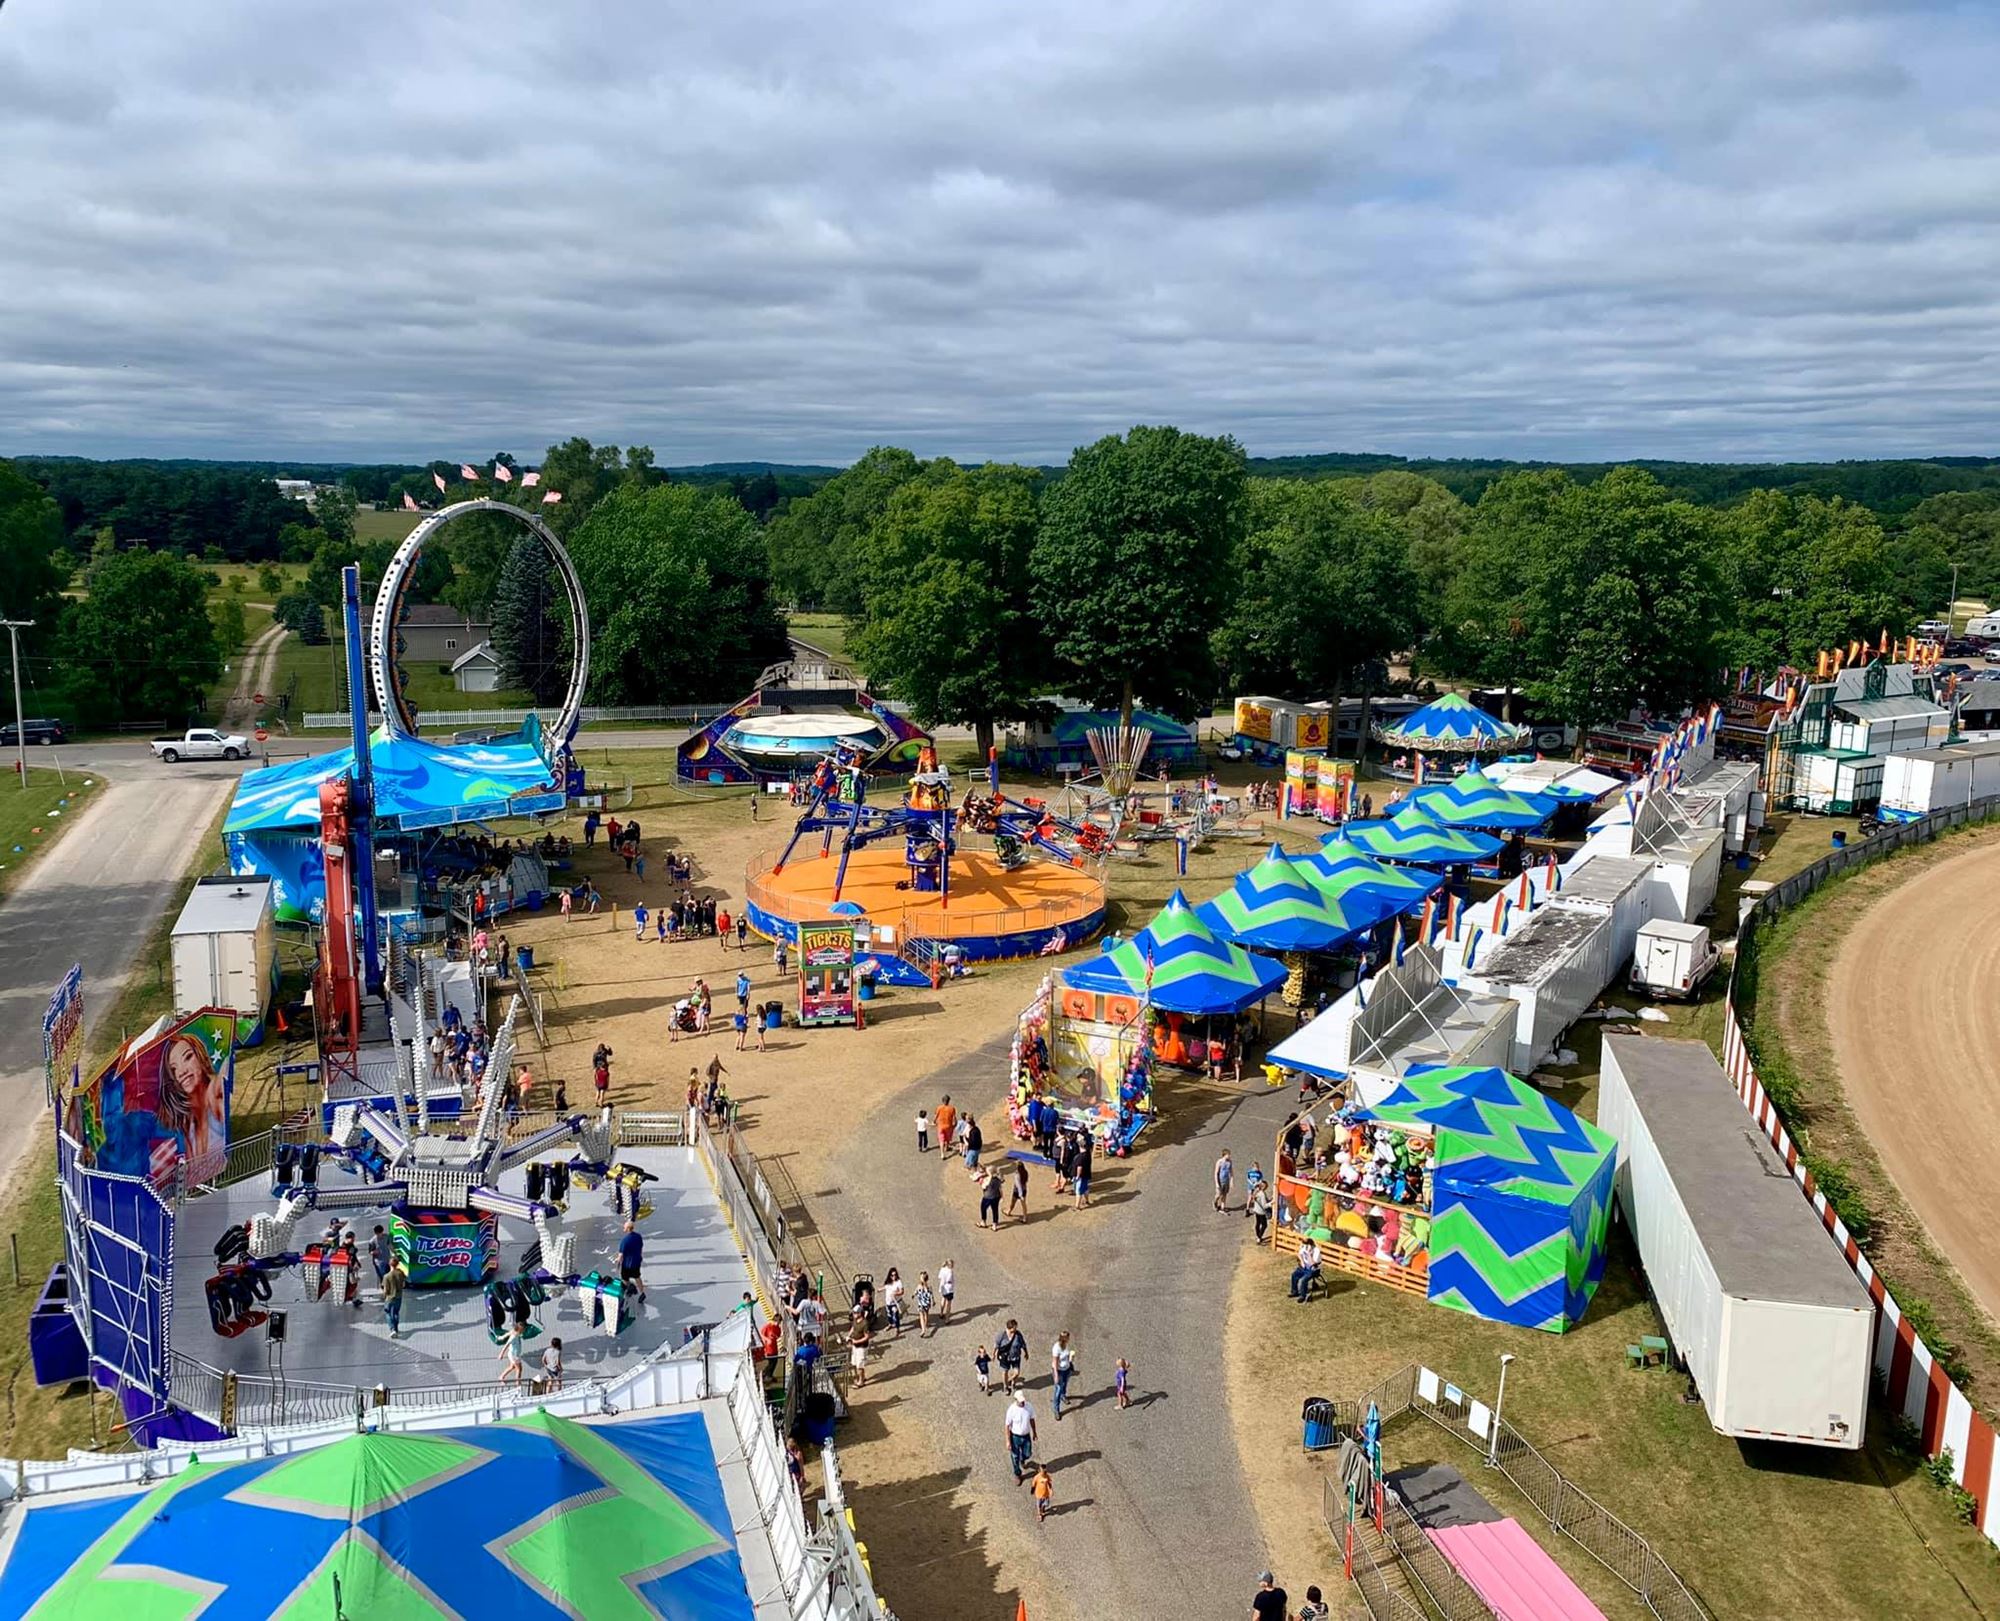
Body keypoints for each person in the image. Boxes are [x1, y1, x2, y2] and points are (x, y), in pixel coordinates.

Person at [1004, 1391, 1037, 1484]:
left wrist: (1034, 1432)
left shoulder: (1029, 1407)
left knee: (1028, 1453)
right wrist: (1008, 1441)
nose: (1022, 1403)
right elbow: (1007, 1425)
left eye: (1023, 1401)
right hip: (1015, 1437)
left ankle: (1023, 1459)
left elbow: (1032, 1419)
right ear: (1015, 1400)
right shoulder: (1011, 1410)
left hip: (1026, 1436)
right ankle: (1018, 1474)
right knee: (1015, 1457)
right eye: (1020, 1401)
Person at [1050, 1330, 1076, 1420]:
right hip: (1059, 1371)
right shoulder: (1056, 1348)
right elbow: (1055, 1363)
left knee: (1064, 1384)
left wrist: (1071, 1359)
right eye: (1068, 1338)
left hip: (1066, 1369)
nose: (1069, 1339)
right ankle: (1056, 1409)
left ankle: (1063, 1396)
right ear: (1064, 1339)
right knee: (1058, 1389)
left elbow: (1066, 1356)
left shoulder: (1066, 1346)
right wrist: (1056, 1375)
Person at [618, 1219, 647, 1303]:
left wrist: (618, 1261)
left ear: (627, 1229)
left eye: (624, 1227)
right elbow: (641, 1247)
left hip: (627, 1264)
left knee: (624, 1278)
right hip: (637, 1261)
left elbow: (621, 1255)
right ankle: (642, 1292)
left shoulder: (624, 1241)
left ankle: (629, 1288)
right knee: (637, 1277)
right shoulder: (638, 1236)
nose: (623, 1228)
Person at [995, 1319, 1027, 1392]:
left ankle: (1011, 1381)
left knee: (1017, 1373)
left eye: (1016, 1328)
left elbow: (1023, 1343)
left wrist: (1026, 1352)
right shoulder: (1002, 1335)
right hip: (1005, 1357)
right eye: (1014, 1328)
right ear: (1009, 1328)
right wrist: (994, 1354)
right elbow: (997, 1345)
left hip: (1016, 1357)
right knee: (1005, 1372)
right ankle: (1005, 1386)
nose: (1015, 1329)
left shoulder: (1018, 1334)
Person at [1289, 1236, 1322, 1303]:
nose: (1305, 1247)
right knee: (1294, 1275)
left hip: (1313, 1269)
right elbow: (1299, 1254)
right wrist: (1302, 1262)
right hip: (1305, 1267)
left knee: (1303, 1280)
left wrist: (1310, 1254)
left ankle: (1302, 1296)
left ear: (1311, 1245)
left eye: (1307, 1245)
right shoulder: (1304, 1247)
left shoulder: (1316, 1251)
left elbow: (1314, 1263)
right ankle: (1294, 1292)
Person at [382, 1256, 406, 1337]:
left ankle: (392, 1329)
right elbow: (403, 1284)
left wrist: (384, 1297)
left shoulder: (387, 1276)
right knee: (396, 1312)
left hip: (390, 1298)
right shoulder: (401, 1273)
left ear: (390, 1264)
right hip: (399, 1296)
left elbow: (385, 1290)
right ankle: (396, 1328)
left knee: (388, 1313)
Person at [498, 1322, 526, 1388]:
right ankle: (518, 1383)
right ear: (519, 1329)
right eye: (522, 1329)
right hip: (514, 1355)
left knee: (512, 1367)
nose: (523, 1330)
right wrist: (501, 1354)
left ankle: (501, 1377)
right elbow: (507, 1344)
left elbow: (507, 1334)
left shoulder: (515, 1332)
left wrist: (501, 1338)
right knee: (519, 1369)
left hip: (513, 1354)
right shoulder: (514, 1336)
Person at [848, 1315, 873, 1387]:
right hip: (855, 1347)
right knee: (855, 1362)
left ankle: (861, 1382)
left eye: (855, 1312)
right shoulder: (855, 1320)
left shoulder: (865, 1324)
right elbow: (853, 1327)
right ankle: (862, 1377)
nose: (854, 1314)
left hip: (862, 1347)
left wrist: (856, 1341)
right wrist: (849, 1336)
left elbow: (867, 1337)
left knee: (860, 1365)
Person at [934, 1096, 958, 1166]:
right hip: (948, 1125)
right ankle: (947, 1147)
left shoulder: (939, 1108)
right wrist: (955, 1124)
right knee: (947, 1138)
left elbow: (936, 1116)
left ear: (942, 1101)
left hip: (940, 1126)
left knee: (941, 1140)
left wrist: (934, 1121)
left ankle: (942, 1153)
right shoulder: (952, 1108)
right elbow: (954, 1117)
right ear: (949, 1101)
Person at [1249, 1180, 1273, 1244]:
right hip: (1261, 1212)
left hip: (1256, 1210)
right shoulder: (1262, 1194)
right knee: (1264, 1225)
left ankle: (1258, 1236)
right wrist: (1271, 1203)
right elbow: (1264, 1205)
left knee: (1257, 1224)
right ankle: (1259, 1237)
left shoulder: (1256, 1192)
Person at [882, 1268, 905, 1337]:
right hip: (888, 1302)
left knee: (895, 1316)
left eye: (895, 1275)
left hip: (895, 1303)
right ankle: (890, 1324)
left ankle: (897, 1328)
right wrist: (881, 1289)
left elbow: (902, 1291)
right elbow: (886, 1287)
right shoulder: (888, 1281)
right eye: (892, 1275)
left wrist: (896, 1293)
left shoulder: (899, 1282)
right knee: (889, 1315)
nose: (893, 1277)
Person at [913, 1271, 936, 1337]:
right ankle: (926, 1325)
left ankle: (923, 1329)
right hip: (927, 1303)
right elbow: (931, 1295)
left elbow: (915, 1292)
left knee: (921, 1316)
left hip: (921, 1303)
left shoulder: (919, 1286)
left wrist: (913, 1295)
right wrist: (933, 1301)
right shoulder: (929, 1287)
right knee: (926, 1314)